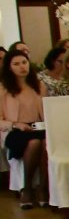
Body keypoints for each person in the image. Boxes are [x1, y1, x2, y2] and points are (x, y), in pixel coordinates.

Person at [0, 49, 47, 209]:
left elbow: (47, 110)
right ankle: (27, 188)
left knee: (46, 141)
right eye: (16, 64)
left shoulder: (39, 86)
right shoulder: (3, 89)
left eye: (24, 62)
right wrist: (15, 124)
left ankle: (43, 187)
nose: (22, 67)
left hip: (39, 127)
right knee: (34, 143)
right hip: (15, 129)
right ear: (9, 67)